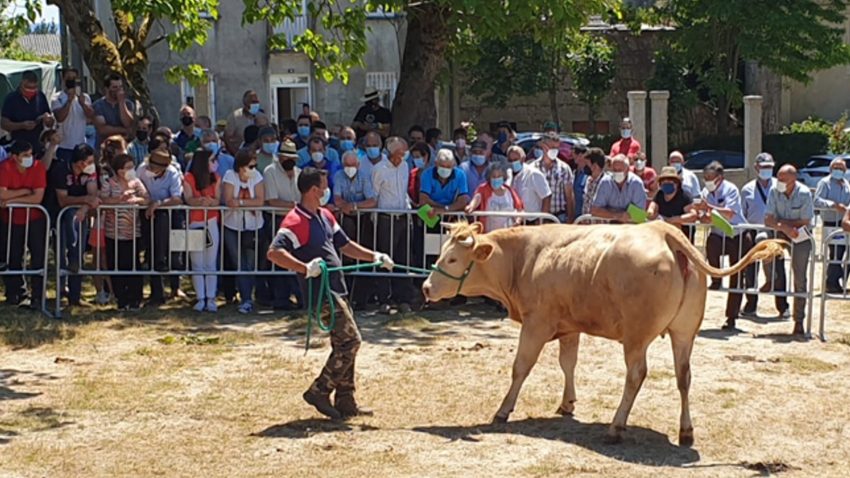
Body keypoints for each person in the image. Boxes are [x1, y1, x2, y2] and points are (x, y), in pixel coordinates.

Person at [267, 167, 395, 419]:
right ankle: (319, 390)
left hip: (338, 289)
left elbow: (345, 246)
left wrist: (375, 257)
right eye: (324, 186)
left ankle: (346, 399)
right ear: (314, 190)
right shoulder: (296, 220)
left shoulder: (324, 216)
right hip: (322, 293)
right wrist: (304, 268)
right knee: (351, 341)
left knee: (342, 343)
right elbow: (274, 252)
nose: (327, 190)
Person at [695, 161, 749, 331]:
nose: (707, 182)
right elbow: (704, 216)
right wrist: (702, 215)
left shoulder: (731, 189)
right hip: (718, 234)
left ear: (720, 178)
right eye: (705, 178)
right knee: (711, 244)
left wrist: (709, 207)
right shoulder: (705, 191)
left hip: (736, 234)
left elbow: (730, 213)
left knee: (737, 276)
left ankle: (731, 317)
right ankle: (716, 278)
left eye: (710, 179)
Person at [45, 143, 100, 306]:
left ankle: (75, 296)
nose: (91, 165)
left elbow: (93, 195)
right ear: (79, 162)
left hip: (79, 216)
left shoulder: (90, 172)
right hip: (58, 216)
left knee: (78, 255)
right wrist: (84, 201)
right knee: (61, 254)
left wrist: (84, 208)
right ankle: (61, 291)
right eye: (88, 162)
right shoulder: (61, 170)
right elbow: (63, 200)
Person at [765, 165, 814, 336]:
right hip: (781, 232)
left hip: (801, 237)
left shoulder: (805, 193)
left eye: (782, 179)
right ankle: (771, 278)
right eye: (778, 177)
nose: (778, 181)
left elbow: (806, 221)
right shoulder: (774, 191)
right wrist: (784, 227)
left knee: (799, 278)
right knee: (762, 244)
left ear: (793, 180)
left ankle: (798, 320)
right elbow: (768, 219)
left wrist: (782, 223)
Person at [740, 153, 788, 318]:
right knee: (751, 270)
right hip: (753, 230)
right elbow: (742, 213)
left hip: (775, 231)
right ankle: (751, 305)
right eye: (763, 167)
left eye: (769, 167)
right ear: (756, 168)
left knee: (778, 269)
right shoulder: (746, 189)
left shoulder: (780, 186)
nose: (766, 170)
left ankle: (783, 306)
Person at [371, 137, 417, 312]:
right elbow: (374, 194)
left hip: (404, 217)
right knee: (385, 259)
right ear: (391, 153)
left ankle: (403, 298)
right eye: (400, 153)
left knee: (403, 258)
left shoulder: (405, 166)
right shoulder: (379, 169)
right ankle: (384, 299)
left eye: (404, 153)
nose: (403, 156)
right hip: (386, 218)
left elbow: (404, 191)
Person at [0, 141, 47, 309]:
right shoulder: (5, 167)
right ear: (15, 157)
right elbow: (1, 194)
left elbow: (37, 198)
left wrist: (11, 199)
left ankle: (38, 296)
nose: (30, 158)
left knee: (38, 256)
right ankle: (16, 293)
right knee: (12, 256)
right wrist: (25, 191)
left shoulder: (38, 167)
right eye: (25, 155)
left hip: (35, 219)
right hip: (10, 220)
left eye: (31, 154)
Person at [99, 153, 148, 310]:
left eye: (132, 167)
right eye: (128, 167)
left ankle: (135, 298)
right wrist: (120, 199)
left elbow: (147, 198)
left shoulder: (136, 183)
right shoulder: (109, 183)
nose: (131, 170)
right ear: (119, 170)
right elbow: (103, 200)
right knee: (116, 265)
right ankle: (121, 298)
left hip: (133, 231)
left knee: (133, 264)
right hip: (113, 232)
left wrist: (137, 200)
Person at [137, 149, 185, 306]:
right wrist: (147, 202)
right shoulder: (141, 170)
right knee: (152, 252)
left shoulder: (172, 173)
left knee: (173, 255)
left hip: (171, 218)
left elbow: (177, 198)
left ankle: (175, 287)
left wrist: (159, 204)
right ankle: (156, 293)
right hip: (148, 217)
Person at [222, 148, 265, 314]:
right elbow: (228, 201)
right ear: (241, 166)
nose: (253, 169)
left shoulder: (258, 177)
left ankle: (249, 298)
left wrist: (239, 202)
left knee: (250, 263)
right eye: (250, 166)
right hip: (232, 225)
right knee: (239, 262)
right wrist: (246, 202)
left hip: (253, 226)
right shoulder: (229, 176)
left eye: (254, 165)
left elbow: (260, 201)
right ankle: (245, 298)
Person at [334, 150, 378, 307]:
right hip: (345, 221)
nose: (349, 168)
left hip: (364, 221)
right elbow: (337, 199)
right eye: (347, 165)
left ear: (358, 165)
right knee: (345, 259)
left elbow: (372, 201)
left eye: (352, 165)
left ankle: (362, 298)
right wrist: (344, 207)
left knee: (364, 256)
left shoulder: (364, 176)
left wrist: (353, 206)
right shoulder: (338, 176)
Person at [263, 140, 303, 310]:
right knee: (280, 260)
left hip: (297, 221)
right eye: (286, 157)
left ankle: (301, 298)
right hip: (277, 220)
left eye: (292, 157)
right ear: (279, 156)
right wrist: (294, 205)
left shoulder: (299, 173)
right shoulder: (270, 172)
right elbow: (272, 200)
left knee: (298, 260)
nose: (290, 160)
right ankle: (281, 299)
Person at [183, 150, 221, 312]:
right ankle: (200, 298)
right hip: (195, 223)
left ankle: (211, 298)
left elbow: (218, 200)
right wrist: (199, 201)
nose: (214, 163)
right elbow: (189, 198)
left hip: (211, 221)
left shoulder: (217, 178)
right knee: (197, 263)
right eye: (212, 160)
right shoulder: (188, 178)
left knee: (210, 262)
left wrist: (211, 202)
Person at [814, 158, 850, 293]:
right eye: (836, 167)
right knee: (836, 254)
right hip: (831, 223)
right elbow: (817, 201)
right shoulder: (824, 183)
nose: (838, 170)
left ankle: (839, 281)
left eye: (841, 168)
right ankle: (831, 282)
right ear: (830, 169)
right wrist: (833, 205)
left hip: (846, 223)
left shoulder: (846, 184)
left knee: (845, 253)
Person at [1, 71, 55, 157]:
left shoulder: (40, 96)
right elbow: (4, 124)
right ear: (21, 84)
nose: (31, 91)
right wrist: (21, 125)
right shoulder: (11, 99)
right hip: (19, 150)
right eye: (28, 87)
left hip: (37, 147)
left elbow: (50, 122)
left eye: (34, 88)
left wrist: (48, 119)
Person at [466, 161, 525, 233]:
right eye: (493, 176)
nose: (496, 179)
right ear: (489, 177)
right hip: (489, 233)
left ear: (503, 177)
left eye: (499, 176)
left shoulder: (510, 191)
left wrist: (518, 220)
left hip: (507, 233)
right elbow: (477, 197)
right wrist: (471, 206)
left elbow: (519, 208)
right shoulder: (483, 189)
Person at [51, 68, 94, 162]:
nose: (71, 80)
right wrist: (69, 101)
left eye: (74, 78)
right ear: (63, 79)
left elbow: (91, 117)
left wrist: (83, 104)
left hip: (81, 145)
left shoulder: (85, 97)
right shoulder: (57, 98)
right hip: (64, 146)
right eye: (69, 78)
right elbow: (60, 118)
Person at [590, 155, 645, 222]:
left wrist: (608, 210)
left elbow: (640, 214)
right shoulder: (605, 182)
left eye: (620, 170)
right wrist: (617, 215)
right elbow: (595, 210)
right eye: (615, 170)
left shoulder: (636, 183)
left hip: (631, 227)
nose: (617, 173)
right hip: (609, 227)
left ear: (627, 170)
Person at [534, 134, 574, 222]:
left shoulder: (564, 168)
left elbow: (569, 196)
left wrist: (570, 218)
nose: (555, 151)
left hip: (559, 217)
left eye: (557, 148)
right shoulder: (533, 168)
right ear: (543, 146)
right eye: (552, 147)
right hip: (538, 218)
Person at [647, 166, 697, 234]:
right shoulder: (659, 194)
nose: (667, 183)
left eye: (670, 181)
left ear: (677, 183)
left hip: (682, 233)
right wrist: (651, 212)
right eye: (664, 181)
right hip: (662, 232)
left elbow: (693, 215)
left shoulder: (685, 196)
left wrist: (674, 220)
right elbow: (652, 207)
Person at [419, 149, 470, 214]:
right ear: (436, 164)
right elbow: (423, 200)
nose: (445, 169)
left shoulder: (460, 175)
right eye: (442, 166)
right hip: (431, 214)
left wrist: (445, 209)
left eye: (448, 167)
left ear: (453, 165)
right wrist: (444, 208)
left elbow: (463, 201)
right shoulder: (427, 174)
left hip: (452, 215)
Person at [92, 73, 135, 146]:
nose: (118, 90)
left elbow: (128, 123)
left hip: (123, 147)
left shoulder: (128, 104)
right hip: (104, 147)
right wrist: (124, 130)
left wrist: (121, 102)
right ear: (107, 89)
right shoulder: (98, 105)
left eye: (120, 87)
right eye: (115, 87)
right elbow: (102, 129)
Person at [506, 145, 550, 214]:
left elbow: (546, 197)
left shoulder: (533, 174)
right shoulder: (508, 175)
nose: (513, 163)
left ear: (523, 159)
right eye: (510, 160)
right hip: (515, 219)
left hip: (532, 220)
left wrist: (541, 220)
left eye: (515, 160)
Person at [225, 89, 262, 154]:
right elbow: (227, 137)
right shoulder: (235, 117)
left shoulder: (262, 116)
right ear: (245, 103)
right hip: (240, 153)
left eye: (257, 102)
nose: (255, 104)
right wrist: (235, 154)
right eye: (253, 102)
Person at [582, 148, 607, 217]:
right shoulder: (588, 180)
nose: (584, 167)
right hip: (586, 224)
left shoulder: (606, 183)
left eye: (587, 164)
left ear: (595, 165)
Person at [407, 142, 432, 206]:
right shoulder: (412, 173)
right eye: (414, 157)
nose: (415, 160)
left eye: (418, 157)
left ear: (426, 156)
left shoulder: (434, 174)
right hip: (414, 211)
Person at [572, 145, 589, 216]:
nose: (573, 157)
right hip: (575, 214)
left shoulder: (589, 174)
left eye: (575, 154)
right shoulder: (575, 173)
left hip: (584, 215)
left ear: (581, 155)